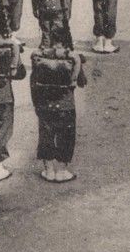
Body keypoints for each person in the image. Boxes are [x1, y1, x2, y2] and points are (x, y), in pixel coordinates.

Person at [30, 35, 87, 182]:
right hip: (65, 104)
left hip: (45, 103)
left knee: (46, 135)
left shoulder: (40, 58)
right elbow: (81, 82)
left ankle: (49, 170)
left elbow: (33, 83)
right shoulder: (71, 58)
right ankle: (61, 171)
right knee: (66, 136)